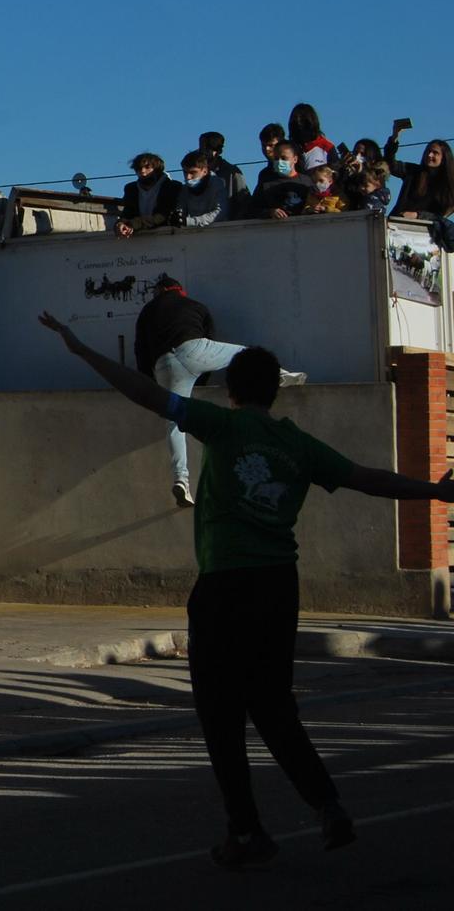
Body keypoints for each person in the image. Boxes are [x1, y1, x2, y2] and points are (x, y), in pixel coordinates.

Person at [38, 309, 454, 870]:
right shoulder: (300, 446)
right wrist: (436, 489)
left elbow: (147, 395)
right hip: (279, 588)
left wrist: (83, 350)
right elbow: (369, 478)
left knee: (221, 714)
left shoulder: (223, 426)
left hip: (224, 588)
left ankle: (247, 829)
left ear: (231, 389)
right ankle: (327, 805)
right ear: (272, 392)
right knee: (276, 706)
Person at [133, 275, 305, 507]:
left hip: (164, 364)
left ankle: (181, 480)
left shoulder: (147, 311)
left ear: (159, 291)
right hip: (194, 350)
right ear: (179, 290)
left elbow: (140, 351)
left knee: (175, 422)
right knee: (246, 353)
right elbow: (210, 339)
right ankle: (282, 375)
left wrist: (152, 384)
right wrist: (202, 379)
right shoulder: (195, 306)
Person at [384, 133, 454, 221]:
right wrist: (394, 137)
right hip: (397, 225)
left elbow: (441, 216)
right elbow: (390, 164)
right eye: (428, 151)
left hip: (425, 231)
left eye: (435, 153)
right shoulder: (413, 172)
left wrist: (417, 215)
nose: (429, 155)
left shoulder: (448, 185)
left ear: (444, 158)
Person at [116, 153, 179, 237]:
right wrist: (120, 224)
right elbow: (127, 212)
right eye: (138, 168)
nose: (142, 171)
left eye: (147, 167)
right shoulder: (131, 189)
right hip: (139, 238)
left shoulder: (171, 187)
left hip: (166, 236)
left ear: (157, 169)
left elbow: (162, 215)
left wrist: (132, 224)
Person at [249, 139, 309, 218]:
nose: (280, 162)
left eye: (284, 158)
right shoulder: (266, 183)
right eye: (276, 158)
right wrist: (270, 212)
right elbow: (252, 210)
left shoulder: (307, 182)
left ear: (295, 159)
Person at [197, 131, 249, 218]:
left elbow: (244, 202)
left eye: (206, 148)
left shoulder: (231, 172)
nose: (202, 151)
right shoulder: (197, 172)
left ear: (218, 151)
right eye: (201, 147)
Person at [175, 150, 231, 228]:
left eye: (193, 172)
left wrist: (189, 221)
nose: (188, 177)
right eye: (185, 172)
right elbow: (180, 210)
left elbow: (220, 213)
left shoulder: (217, 184)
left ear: (205, 171)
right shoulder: (185, 189)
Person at [287, 103, 335, 169]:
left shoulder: (327, 147)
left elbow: (336, 173)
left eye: (304, 127)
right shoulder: (288, 148)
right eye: (297, 128)